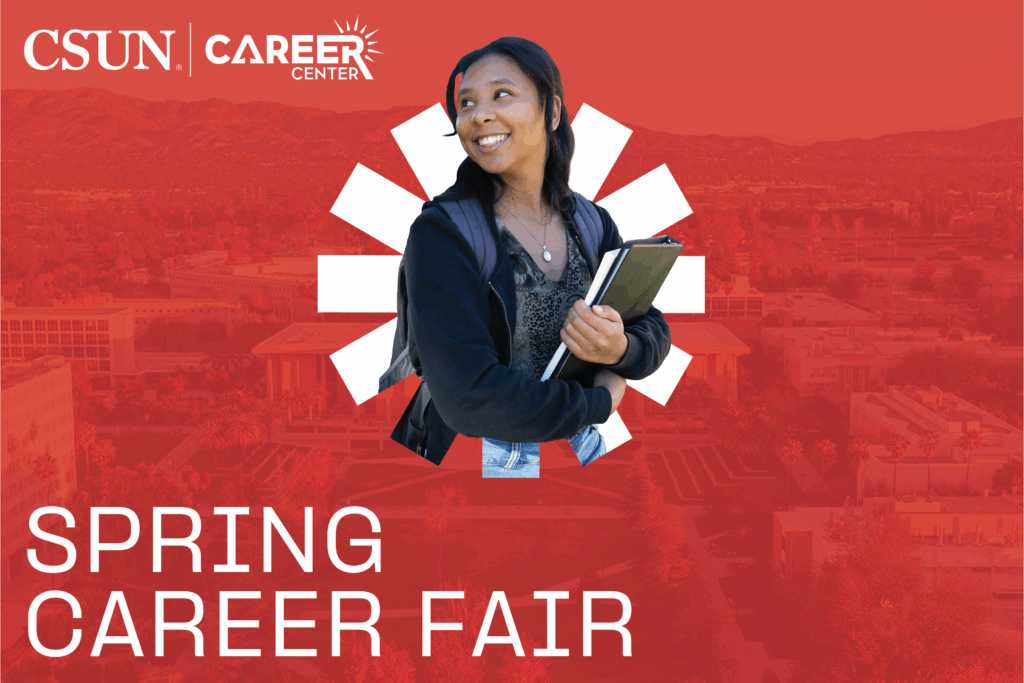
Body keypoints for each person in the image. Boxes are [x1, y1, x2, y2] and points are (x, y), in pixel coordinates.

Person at [394, 36, 671, 477]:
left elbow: (649, 323)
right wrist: (600, 401)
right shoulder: (443, 234)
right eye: (466, 103)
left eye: (502, 94)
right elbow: (468, 398)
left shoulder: (591, 222)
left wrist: (621, 348)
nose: (479, 115)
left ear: (552, 111)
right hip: (483, 462)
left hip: (581, 449)